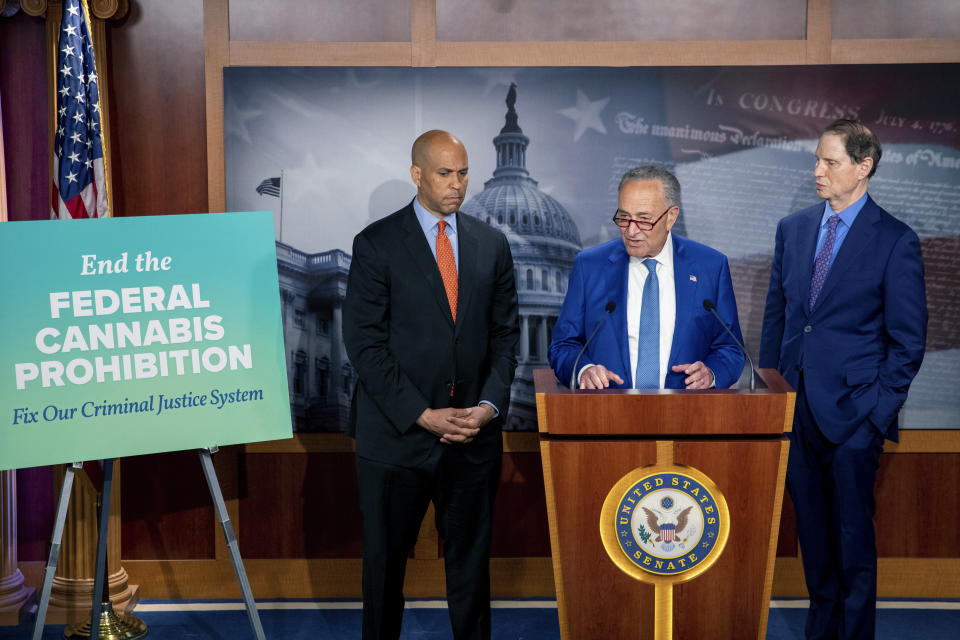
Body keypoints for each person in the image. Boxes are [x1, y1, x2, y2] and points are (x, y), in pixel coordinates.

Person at [342, 130, 520, 640]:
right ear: (417, 174)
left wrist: (486, 407)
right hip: (397, 437)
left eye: (464, 173)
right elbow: (365, 345)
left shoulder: (492, 244)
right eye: (445, 173)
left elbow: (507, 338)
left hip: (472, 436)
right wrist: (422, 413)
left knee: (470, 571)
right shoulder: (376, 243)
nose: (457, 184)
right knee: (384, 570)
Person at [759, 119, 927, 639]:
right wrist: (773, 399)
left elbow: (908, 342)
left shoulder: (896, 241)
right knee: (813, 542)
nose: (818, 171)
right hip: (797, 413)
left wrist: (876, 416)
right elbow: (778, 320)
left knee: (853, 547)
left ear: (863, 167)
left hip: (856, 418)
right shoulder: (794, 229)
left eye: (830, 162)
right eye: (816, 159)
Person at [549, 165, 745, 390]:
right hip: (606, 415)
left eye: (643, 220)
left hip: (687, 416)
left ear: (671, 217)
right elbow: (563, 346)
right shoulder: (590, 266)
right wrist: (584, 370)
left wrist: (711, 373)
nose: (631, 231)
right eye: (624, 218)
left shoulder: (710, 266)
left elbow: (730, 348)